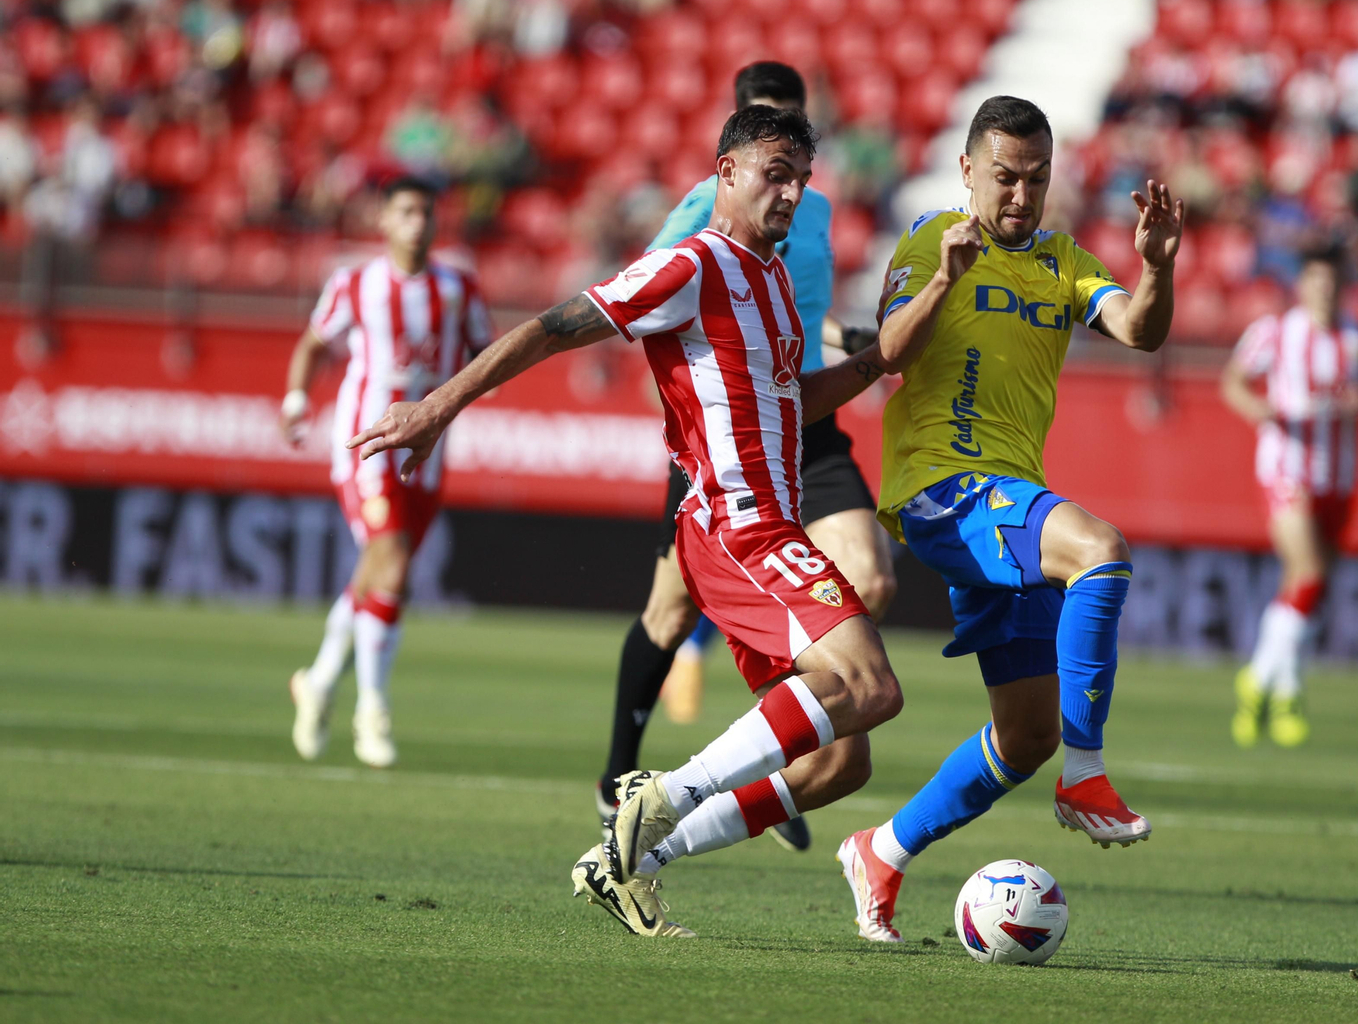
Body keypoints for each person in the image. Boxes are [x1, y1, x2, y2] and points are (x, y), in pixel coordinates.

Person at [346, 107, 981, 937]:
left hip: (767, 529)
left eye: (801, 179)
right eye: (775, 173)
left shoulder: (771, 281)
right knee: (872, 686)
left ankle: (630, 861)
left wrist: (885, 350)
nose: (791, 193)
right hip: (736, 528)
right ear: (726, 173)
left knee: (840, 762)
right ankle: (664, 793)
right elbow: (550, 329)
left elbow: (790, 402)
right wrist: (437, 406)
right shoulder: (691, 266)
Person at [837, 96, 1185, 944]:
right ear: (967, 172)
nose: (1021, 195)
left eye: (1036, 178)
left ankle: (881, 850)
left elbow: (1139, 331)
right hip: (942, 488)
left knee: (1025, 734)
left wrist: (1157, 268)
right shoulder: (931, 241)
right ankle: (1087, 773)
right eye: (1004, 177)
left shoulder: (1064, 262)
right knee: (1100, 550)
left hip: (1007, 499)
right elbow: (888, 352)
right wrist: (947, 278)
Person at [597, 62, 897, 856]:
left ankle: (784, 737)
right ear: (732, 152)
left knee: (873, 579)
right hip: (725, 432)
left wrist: (850, 342)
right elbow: (663, 299)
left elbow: (796, 307)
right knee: (670, 612)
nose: (786, 177)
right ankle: (618, 779)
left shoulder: (815, 209)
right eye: (768, 144)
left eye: (795, 146)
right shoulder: (701, 211)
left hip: (803, 411)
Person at [281, 176, 492, 769]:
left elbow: (484, 355)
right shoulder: (355, 283)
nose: (417, 222)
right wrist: (296, 401)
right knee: (391, 561)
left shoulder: (458, 288)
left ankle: (319, 680)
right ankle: (371, 709)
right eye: (405, 212)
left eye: (425, 212)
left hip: (426, 451)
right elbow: (313, 344)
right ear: (384, 220)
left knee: (379, 569)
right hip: (365, 445)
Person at [1221, 246, 1358, 748]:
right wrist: (1257, 409)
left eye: (1333, 282)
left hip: (1340, 477)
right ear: (1302, 285)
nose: (1325, 290)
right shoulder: (1275, 332)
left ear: (1344, 287)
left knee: (1305, 587)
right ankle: (1278, 686)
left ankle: (1269, 685)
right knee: (1310, 570)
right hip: (1286, 468)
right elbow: (1233, 382)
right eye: (1317, 281)